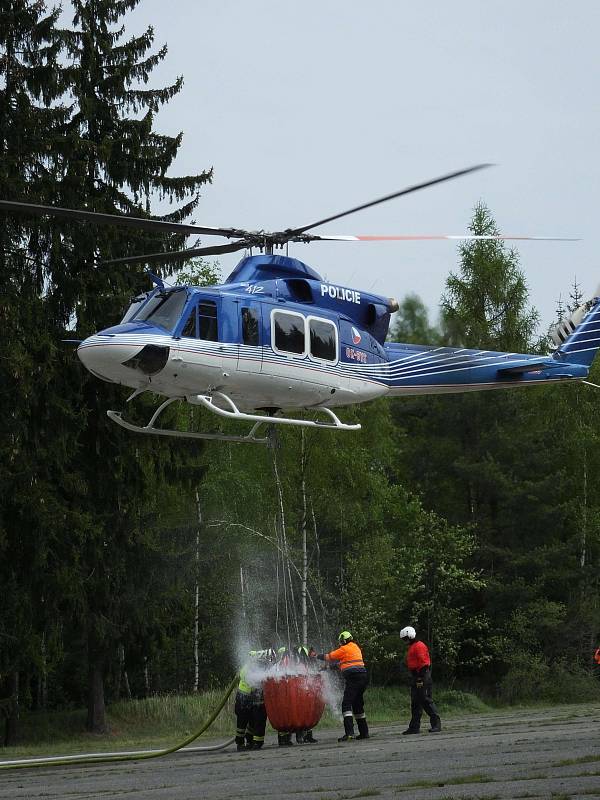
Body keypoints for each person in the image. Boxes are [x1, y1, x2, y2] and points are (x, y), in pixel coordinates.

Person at [317, 630, 369, 742]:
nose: (340, 643)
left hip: (354, 679)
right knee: (358, 705)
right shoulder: (355, 648)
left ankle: (349, 733)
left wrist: (316, 656)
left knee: (346, 704)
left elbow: (329, 657)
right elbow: (341, 664)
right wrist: (326, 668)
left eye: (341, 641)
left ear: (344, 640)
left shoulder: (344, 649)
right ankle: (364, 732)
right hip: (363, 678)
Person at [400, 626, 441, 735]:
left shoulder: (419, 646)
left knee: (426, 700)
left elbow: (424, 663)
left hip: (422, 676)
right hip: (416, 676)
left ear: (410, 636)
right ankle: (414, 727)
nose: (404, 641)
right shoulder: (413, 646)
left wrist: (420, 678)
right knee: (415, 702)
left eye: (405, 639)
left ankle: (436, 724)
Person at [234, 649, 271, 751]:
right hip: (243, 699)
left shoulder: (251, 667)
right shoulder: (248, 669)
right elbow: (254, 681)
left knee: (251, 721)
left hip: (248, 699)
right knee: (243, 723)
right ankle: (241, 743)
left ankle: (250, 741)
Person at [293, 645, 318, 744]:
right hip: (299, 694)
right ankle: (299, 736)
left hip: (307, 693)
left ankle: (308, 736)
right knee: (300, 714)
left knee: (308, 714)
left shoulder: (307, 664)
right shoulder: (296, 665)